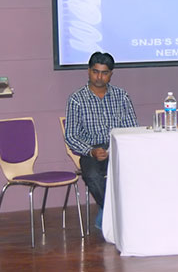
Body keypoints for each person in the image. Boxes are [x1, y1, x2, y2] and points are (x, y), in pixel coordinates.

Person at [65, 52, 138, 228]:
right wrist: (91, 151)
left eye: (104, 73)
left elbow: (131, 128)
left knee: (139, 168)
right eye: (95, 72)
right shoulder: (77, 99)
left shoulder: (121, 96)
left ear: (111, 74)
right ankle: (114, 212)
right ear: (89, 71)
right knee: (92, 175)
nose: (99, 77)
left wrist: (116, 148)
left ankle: (114, 214)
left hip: (118, 147)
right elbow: (71, 135)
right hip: (91, 150)